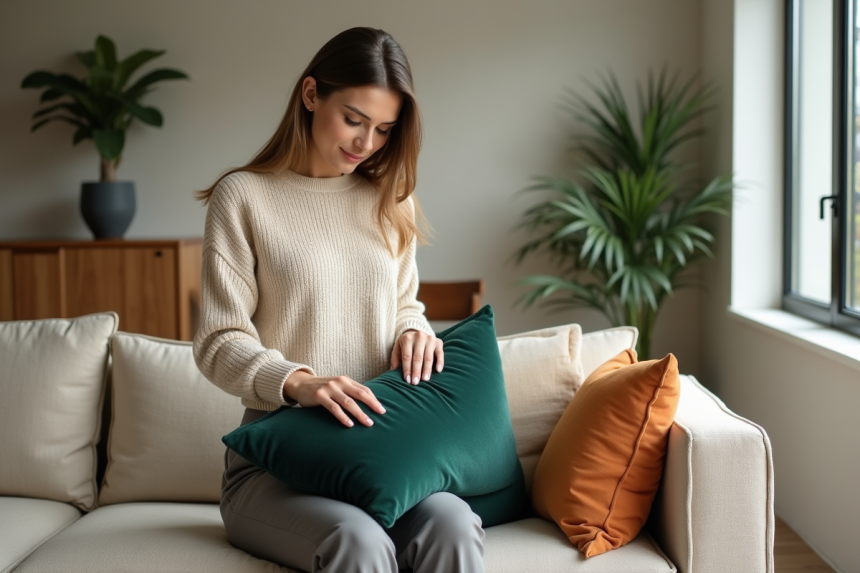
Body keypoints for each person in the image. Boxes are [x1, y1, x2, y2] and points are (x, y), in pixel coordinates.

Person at [191, 27, 485, 573]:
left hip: (383, 454)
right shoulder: (244, 197)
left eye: (383, 129)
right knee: (359, 541)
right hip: (276, 464)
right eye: (353, 119)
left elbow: (402, 304)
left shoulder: (388, 196)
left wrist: (414, 330)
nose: (365, 143)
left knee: (455, 522)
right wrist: (298, 382)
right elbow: (217, 340)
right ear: (310, 95)